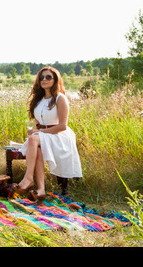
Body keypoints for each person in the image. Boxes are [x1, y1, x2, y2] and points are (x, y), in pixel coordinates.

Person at [15, 66, 82, 203]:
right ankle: (41, 190)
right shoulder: (38, 100)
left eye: (48, 77)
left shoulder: (60, 98)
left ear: (55, 79)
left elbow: (62, 126)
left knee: (34, 140)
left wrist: (38, 133)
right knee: (36, 146)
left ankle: (28, 178)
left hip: (59, 135)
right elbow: (37, 124)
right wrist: (34, 131)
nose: (44, 79)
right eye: (41, 77)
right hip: (44, 135)